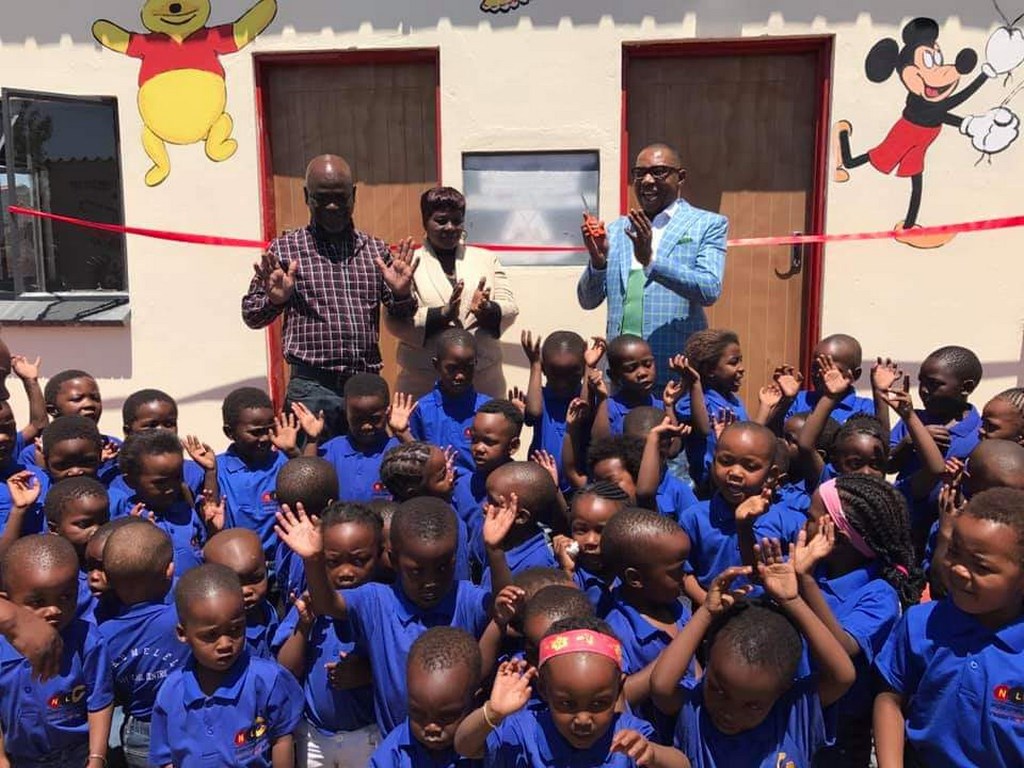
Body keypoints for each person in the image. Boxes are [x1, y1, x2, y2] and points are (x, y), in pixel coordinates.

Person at [274, 496, 510, 736]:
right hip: (395, 747)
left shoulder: (466, 598)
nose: (430, 581)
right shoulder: (377, 601)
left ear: (454, 560)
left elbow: (504, 611)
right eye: (416, 571)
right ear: (393, 560)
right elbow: (328, 605)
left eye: (442, 568)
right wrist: (313, 561)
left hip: (461, 746)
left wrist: (495, 552)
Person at [242, 154, 419, 438]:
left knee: (367, 465)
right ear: (306, 196)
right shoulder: (285, 250)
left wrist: (401, 294)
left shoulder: (375, 251)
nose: (332, 206)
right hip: (312, 391)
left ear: (354, 195)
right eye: (322, 198)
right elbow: (251, 315)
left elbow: (404, 317)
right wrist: (276, 300)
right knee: (308, 465)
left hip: (364, 390)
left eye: (340, 197)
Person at [649, 547, 856, 768]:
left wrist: (793, 601)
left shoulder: (792, 714)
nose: (730, 712)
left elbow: (842, 676)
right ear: (707, 662)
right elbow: (661, 686)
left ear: (781, 691)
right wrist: (707, 612)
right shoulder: (696, 711)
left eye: (753, 706)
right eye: (719, 691)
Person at [874, 488, 1024, 768]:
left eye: (980, 566)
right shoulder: (921, 623)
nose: (958, 569)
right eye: (954, 552)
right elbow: (891, 698)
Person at [577, 142, 728, 389]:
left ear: (680, 177)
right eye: (640, 173)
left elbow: (709, 289)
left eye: (658, 172)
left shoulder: (707, 224)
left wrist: (651, 261)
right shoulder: (616, 230)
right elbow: (587, 300)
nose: (647, 181)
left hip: (674, 373)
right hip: (621, 377)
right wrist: (598, 262)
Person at [455, 616, 690, 767]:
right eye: (567, 704)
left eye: (598, 704)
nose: (583, 719)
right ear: (544, 690)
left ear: (619, 689)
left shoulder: (628, 735)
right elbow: (465, 746)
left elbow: (682, 764)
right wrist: (493, 713)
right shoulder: (525, 730)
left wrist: (653, 754)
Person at [148, 564, 303, 768]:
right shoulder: (171, 692)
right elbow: (164, 758)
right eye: (211, 635)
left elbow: (281, 739)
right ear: (183, 634)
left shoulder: (267, 680)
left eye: (235, 629)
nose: (225, 644)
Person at [272, 502, 380, 767]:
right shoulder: (310, 604)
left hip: (368, 735)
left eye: (359, 561)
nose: (346, 572)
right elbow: (286, 668)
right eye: (333, 562)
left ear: (380, 555)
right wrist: (303, 627)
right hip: (315, 737)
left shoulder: (381, 605)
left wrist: (367, 674)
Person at [387, 186, 519, 400]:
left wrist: (487, 310)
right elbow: (396, 323)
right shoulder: (407, 264)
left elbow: (511, 309)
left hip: (483, 382)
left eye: (457, 221)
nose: (450, 227)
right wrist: (441, 315)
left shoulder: (486, 259)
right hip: (423, 385)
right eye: (441, 221)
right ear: (425, 222)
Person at [0, 534, 114, 768]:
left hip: (77, 754)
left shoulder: (87, 641)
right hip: (22, 759)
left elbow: (99, 701)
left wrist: (96, 758)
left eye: (66, 597)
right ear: (7, 602)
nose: (54, 610)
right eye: (37, 601)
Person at [96, 522, 188, 768]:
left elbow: (107, 690)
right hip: (187, 718)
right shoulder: (184, 614)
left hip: (139, 730)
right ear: (169, 571)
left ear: (108, 579)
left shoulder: (102, 633)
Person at [369, 626, 484, 767]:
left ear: (474, 702)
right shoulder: (393, 755)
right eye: (418, 714)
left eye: (446, 716)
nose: (432, 728)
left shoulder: (488, 748)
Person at [397, 328, 492, 475]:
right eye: (452, 368)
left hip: (477, 488)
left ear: (475, 364)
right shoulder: (422, 409)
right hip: (435, 488)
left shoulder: (488, 409)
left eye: (467, 368)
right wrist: (401, 432)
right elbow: (415, 458)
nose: (460, 376)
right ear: (436, 365)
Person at [304, 373, 399, 503]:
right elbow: (306, 483)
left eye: (375, 419)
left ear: (388, 412)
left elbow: (421, 476)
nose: (366, 426)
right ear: (346, 413)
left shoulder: (397, 450)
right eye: (358, 419)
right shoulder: (332, 450)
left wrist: (403, 432)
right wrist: (312, 441)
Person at [204, 529, 278, 660]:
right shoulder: (222, 640)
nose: (246, 591)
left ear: (267, 572)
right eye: (233, 583)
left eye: (256, 579)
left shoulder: (266, 609)